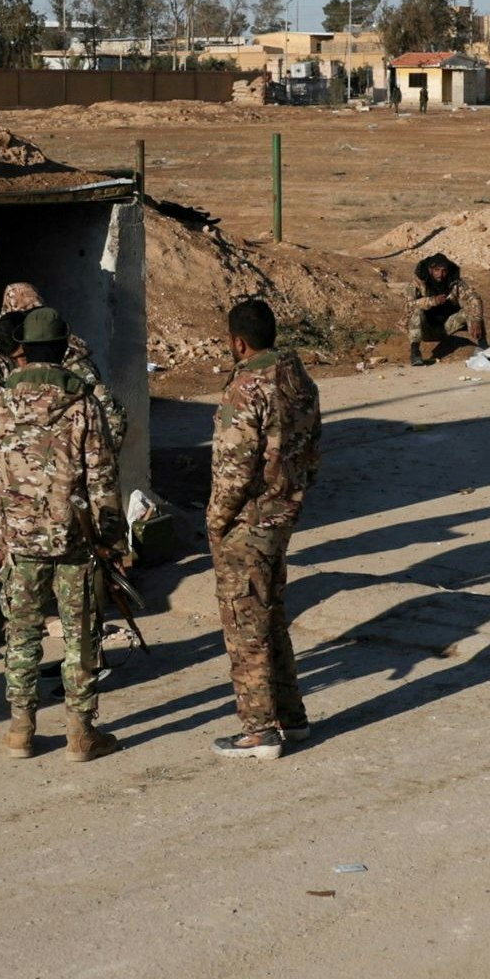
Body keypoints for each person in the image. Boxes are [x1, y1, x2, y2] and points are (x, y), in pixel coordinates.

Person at [0, 306, 122, 760]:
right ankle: (80, 733)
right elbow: (101, 476)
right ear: (61, 349)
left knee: (21, 632)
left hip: (17, 539)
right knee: (80, 634)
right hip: (73, 538)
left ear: (23, 350)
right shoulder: (82, 402)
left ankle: (21, 729)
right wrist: (111, 537)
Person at [202, 297, 320, 759]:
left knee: (244, 625)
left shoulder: (247, 388)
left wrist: (215, 522)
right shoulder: (299, 380)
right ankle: (291, 718)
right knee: (270, 615)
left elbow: (233, 469)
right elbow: (312, 452)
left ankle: (258, 730)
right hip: (282, 514)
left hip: (247, 522)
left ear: (238, 342)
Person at [408, 251, 476, 366]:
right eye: (437, 270)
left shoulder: (454, 282)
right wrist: (432, 301)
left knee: (472, 309)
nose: (441, 274)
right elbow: (408, 306)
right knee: (417, 310)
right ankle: (415, 352)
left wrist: (477, 320)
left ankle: (484, 347)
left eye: (444, 270)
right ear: (430, 270)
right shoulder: (418, 283)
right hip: (425, 329)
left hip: (446, 327)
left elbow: (474, 299)